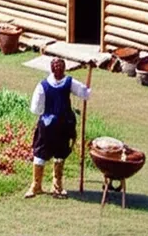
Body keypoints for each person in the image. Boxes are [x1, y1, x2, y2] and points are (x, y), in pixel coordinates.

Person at [25, 57, 91, 199]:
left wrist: (86, 89)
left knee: (60, 154)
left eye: (61, 67)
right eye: (56, 67)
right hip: (48, 127)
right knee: (40, 153)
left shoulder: (69, 82)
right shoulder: (43, 86)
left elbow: (84, 93)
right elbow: (36, 108)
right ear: (52, 68)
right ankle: (36, 185)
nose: (59, 69)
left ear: (64, 68)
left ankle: (57, 185)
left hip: (63, 126)